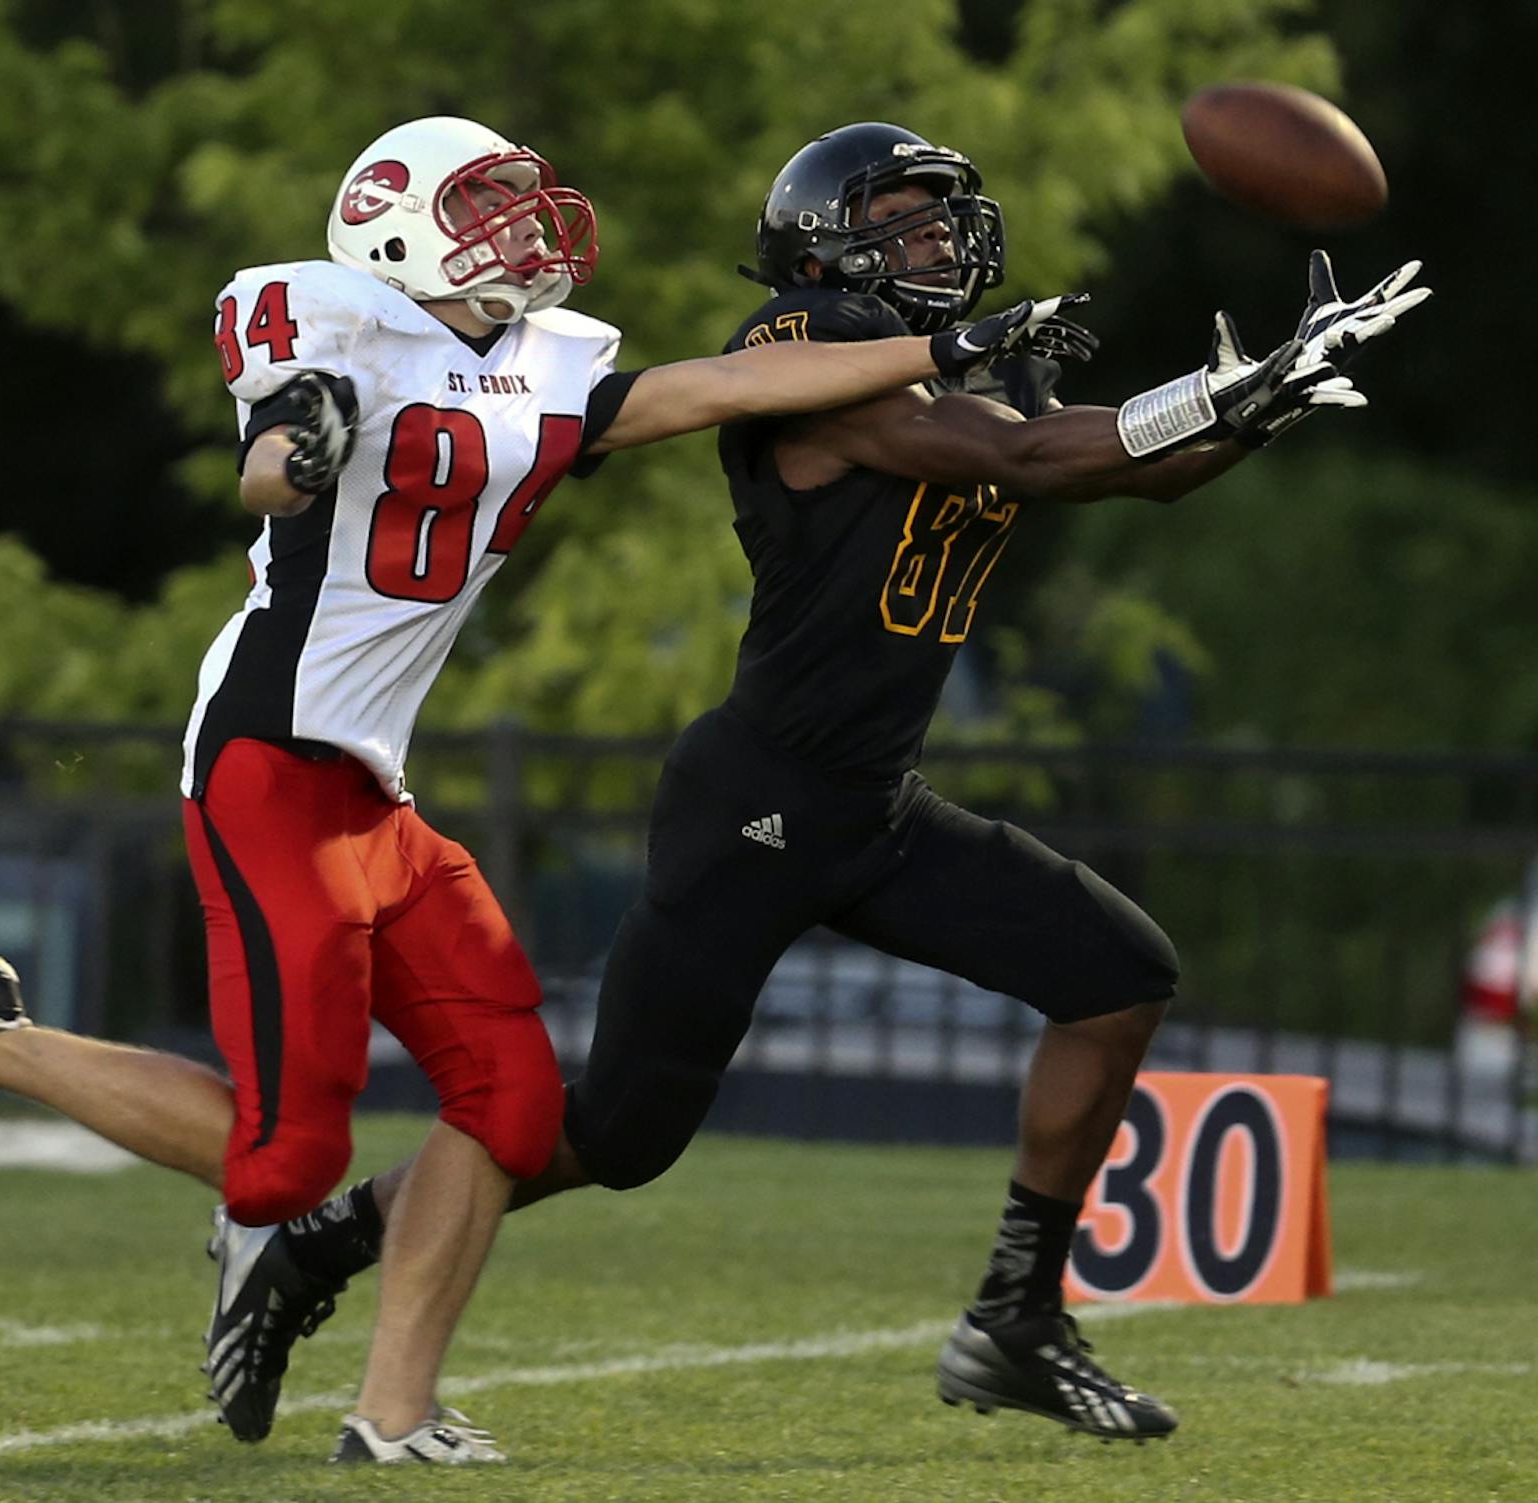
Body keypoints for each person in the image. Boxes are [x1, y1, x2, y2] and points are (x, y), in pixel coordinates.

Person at [0, 113, 1074, 1467]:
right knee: (283, 1168)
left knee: (516, 1110)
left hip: (374, 793)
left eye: (527, 201)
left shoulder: (549, 361)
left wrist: (950, 347)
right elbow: (272, 455)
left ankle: (393, 1418)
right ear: (396, 224)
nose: (529, 227)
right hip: (269, 766)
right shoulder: (332, 322)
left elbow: (722, 389)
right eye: (493, 204)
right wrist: (297, 447)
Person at [226, 121, 1430, 1445]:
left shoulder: (955, 369)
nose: (938, 238)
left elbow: (1120, 474)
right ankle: (321, 1247)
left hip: (872, 806)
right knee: (616, 1140)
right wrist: (1221, 392)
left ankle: (1015, 1322)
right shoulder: (796, 353)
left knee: (1117, 974)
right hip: (759, 806)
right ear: (826, 240)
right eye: (903, 217)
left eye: (943, 214)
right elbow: (1022, 460)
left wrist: (1267, 399)